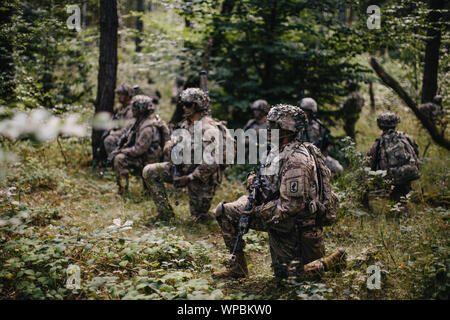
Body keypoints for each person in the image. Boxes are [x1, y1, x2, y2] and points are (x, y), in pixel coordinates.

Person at [212, 104, 345, 280]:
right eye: (269, 124)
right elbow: (263, 177)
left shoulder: (296, 160)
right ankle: (238, 269)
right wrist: (253, 182)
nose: (268, 129)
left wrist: (256, 211)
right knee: (224, 212)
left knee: (289, 280)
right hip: (274, 215)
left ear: (286, 129)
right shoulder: (276, 149)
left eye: (273, 126)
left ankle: (328, 263)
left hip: (295, 226)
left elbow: (291, 206)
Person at [142, 88, 231, 222]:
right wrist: (171, 143)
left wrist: (190, 178)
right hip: (182, 168)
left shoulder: (208, 128)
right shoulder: (187, 123)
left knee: (198, 219)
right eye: (183, 104)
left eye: (188, 104)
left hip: (202, 177)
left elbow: (212, 161)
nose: (184, 107)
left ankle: (225, 211)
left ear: (198, 106)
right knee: (150, 171)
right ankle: (165, 213)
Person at [110, 95, 170, 195]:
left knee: (120, 159)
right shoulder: (139, 122)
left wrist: (121, 151)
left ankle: (123, 191)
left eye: (135, 107)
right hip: (146, 156)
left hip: (149, 159)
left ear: (141, 109)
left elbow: (138, 150)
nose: (132, 109)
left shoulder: (147, 127)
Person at [367, 112, 420, 202]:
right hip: (408, 173)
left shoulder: (378, 143)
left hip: (391, 178)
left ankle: (399, 212)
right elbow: (415, 153)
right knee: (403, 196)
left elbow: (369, 163)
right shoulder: (406, 137)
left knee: (395, 200)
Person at [299, 97, 343, 174]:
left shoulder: (319, 126)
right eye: (303, 111)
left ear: (312, 112)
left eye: (307, 112)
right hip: (301, 158)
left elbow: (326, 145)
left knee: (338, 168)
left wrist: (321, 158)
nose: (305, 114)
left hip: (318, 157)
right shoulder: (297, 125)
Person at [103, 83, 136, 156]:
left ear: (128, 96)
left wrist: (113, 133)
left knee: (109, 140)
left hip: (129, 137)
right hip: (120, 134)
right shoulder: (121, 109)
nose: (119, 96)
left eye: (121, 94)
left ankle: (115, 161)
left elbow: (128, 129)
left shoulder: (131, 110)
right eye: (118, 94)